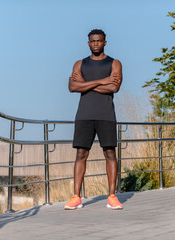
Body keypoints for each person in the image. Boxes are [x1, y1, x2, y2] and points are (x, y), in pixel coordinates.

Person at [64, 29, 123, 210]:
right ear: (88, 43)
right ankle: (76, 197)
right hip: (84, 115)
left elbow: (114, 88)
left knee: (110, 153)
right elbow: (72, 87)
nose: (95, 44)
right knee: (81, 154)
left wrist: (86, 85)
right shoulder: (80, 64)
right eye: (92, 41)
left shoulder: (115, 63)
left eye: (99, 41)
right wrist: (102, 81)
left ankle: (112, 196)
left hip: (106, 114)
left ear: (105, 42)